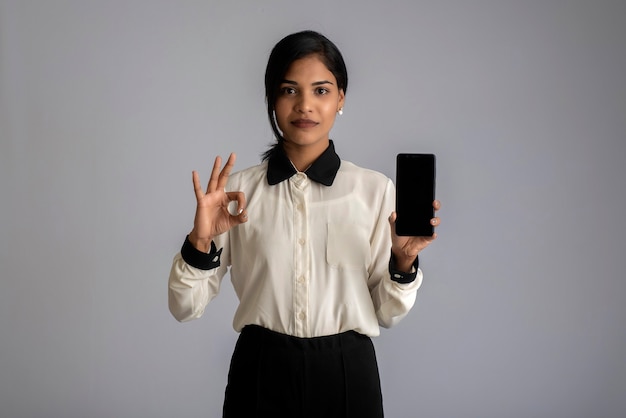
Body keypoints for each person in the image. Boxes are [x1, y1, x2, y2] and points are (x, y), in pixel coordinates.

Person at [168, 30, 441, 418]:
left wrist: (402, 264)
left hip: (347, 373)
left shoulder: (374, 190)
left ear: (341, 98)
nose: (305, 106)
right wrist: (199, 241)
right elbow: (184, 307)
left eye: (321, 90)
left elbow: (387, 314)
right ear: (272, 98)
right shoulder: (236, 193)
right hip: (261, 371)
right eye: (290, 90)